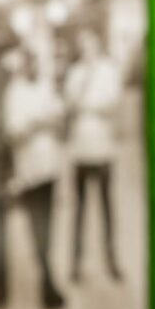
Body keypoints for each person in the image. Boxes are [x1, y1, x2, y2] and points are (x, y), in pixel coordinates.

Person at [3, 36, 67, 309]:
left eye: (35, 62)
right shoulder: (14, 92)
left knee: (49, 226)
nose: (31, 67)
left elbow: (60, 121)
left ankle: (47, 278)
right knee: (36, 228)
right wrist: (39, 123)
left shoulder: (45, 87)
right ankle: (47, 283)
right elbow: (14, 133)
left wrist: (43, 123)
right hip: (29, 172)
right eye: (27, 63)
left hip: (49, 166)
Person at [64, 24, 124, 283]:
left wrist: (88, 106)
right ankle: (76, 263)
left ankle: (111, 260)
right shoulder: (75, 73)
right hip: (81, 149)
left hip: (103, 149)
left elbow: (111, 104)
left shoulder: (109, 71)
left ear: (98, 45)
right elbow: (70, 105)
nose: (87, 49)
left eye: (90, 44)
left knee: (107, 207)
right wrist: (86, 102)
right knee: (79, 208)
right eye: (83, 45)